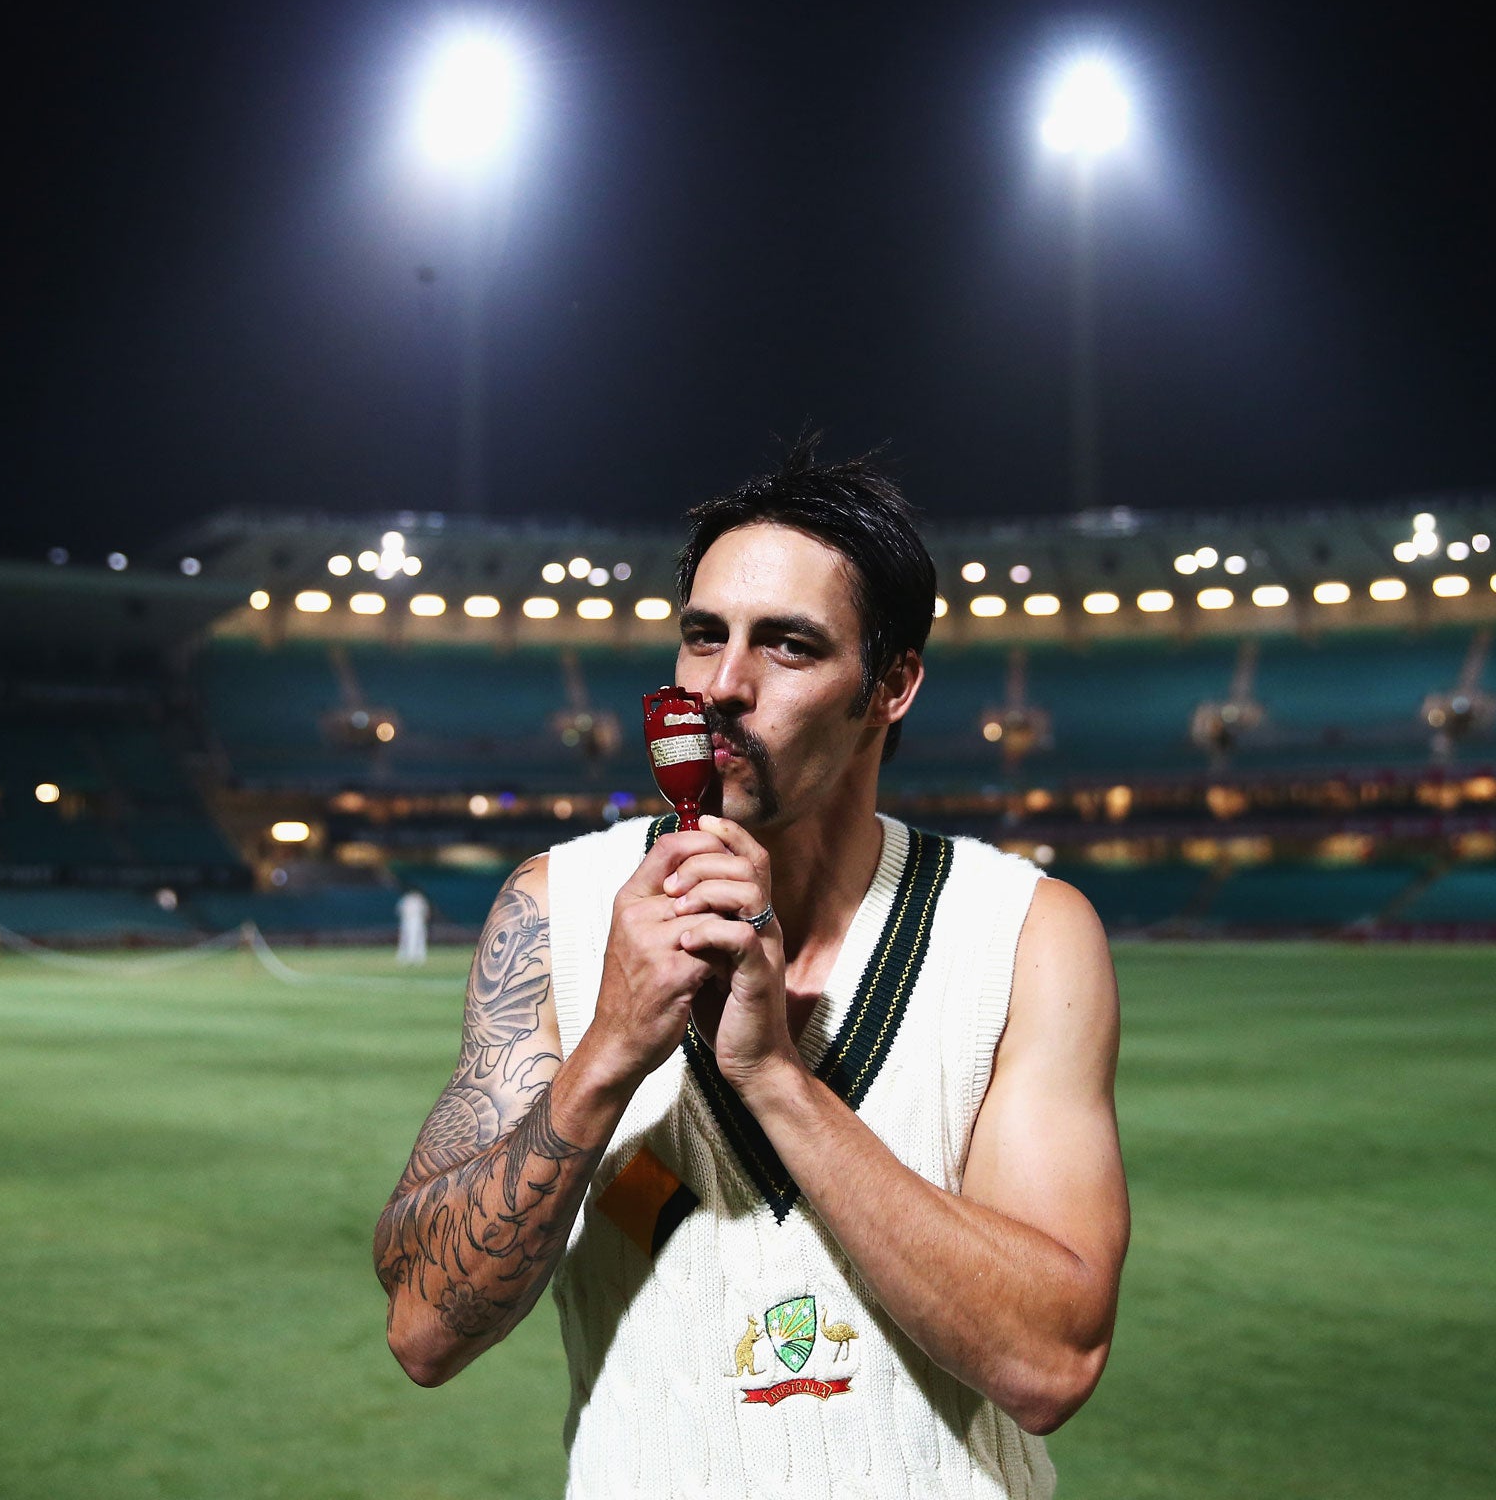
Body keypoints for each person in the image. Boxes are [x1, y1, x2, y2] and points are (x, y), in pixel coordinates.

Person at [374, 437, 1128, 1498]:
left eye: (786, 646)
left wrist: (776, 1080)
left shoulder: (1021, 932)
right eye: (700, 636)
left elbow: (1049, 1363)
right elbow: (419, 1329)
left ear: (890, 685)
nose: (720, 686)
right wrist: (605, 1052)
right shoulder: (556, 910)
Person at [396, 888, 429, 965]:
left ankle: (417, 956)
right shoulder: (406, 899)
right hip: (407, 920)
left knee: (418, 938)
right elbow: (399, 910)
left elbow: (426, 912)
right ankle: (407, 956)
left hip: (417, 920)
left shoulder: (419, 899)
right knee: (406, 938)